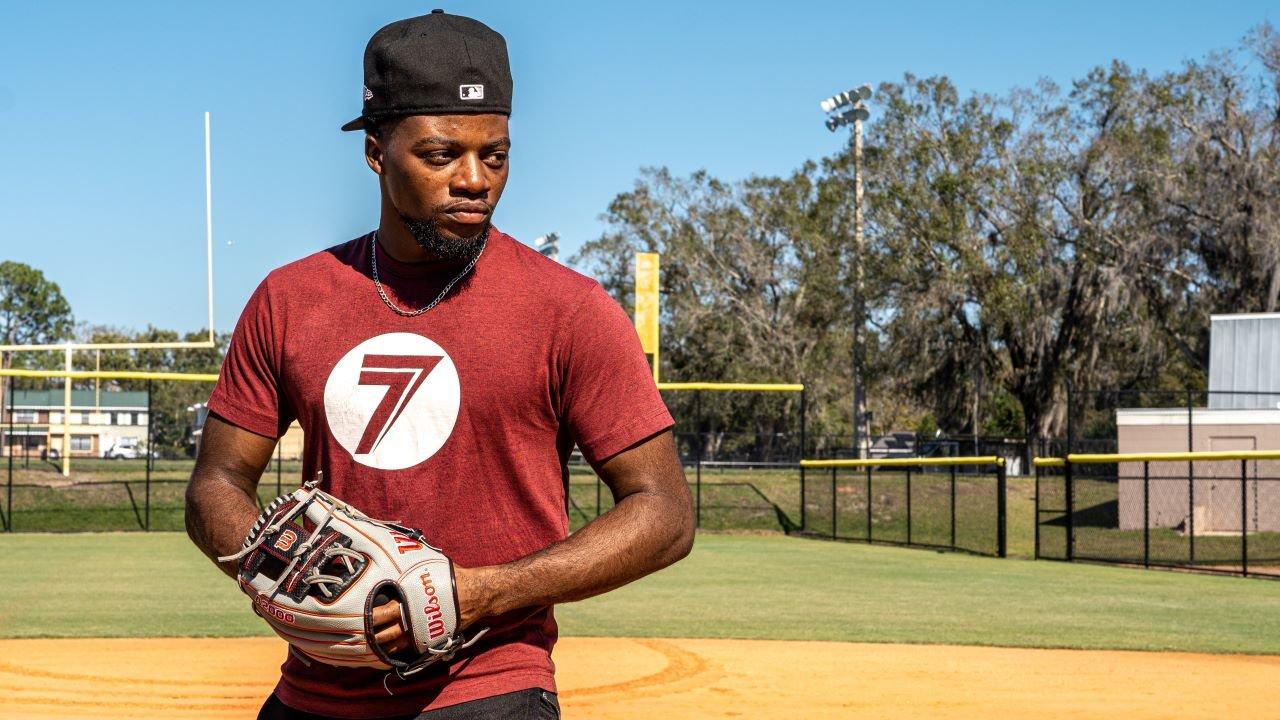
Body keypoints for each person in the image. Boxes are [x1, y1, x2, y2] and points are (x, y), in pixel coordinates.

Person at [184, 10, 694, 719]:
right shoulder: (289, 299)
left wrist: (475, 594)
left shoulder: (568, 310)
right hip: (314, 694)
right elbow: (217, 479)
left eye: (496, 155)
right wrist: (285, 571)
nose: (474, 179)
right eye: (440, 154)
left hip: (488, 690)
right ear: (375, 150)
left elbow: (665, 513)